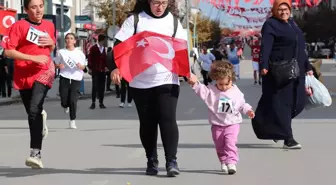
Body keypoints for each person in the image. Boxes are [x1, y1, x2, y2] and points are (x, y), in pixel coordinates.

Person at [110, 0, 187, 177]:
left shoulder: (174, 22)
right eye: (155, 3)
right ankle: (151, 160)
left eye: (163, 2)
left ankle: (171, 161)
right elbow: (118, 47)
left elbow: (182, 49)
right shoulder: (135, 21)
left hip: (167, 78)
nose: (159, 7)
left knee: (168, 119)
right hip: (140, 81)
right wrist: (115, 67)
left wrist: (188, 72)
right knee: (147, 123)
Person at [2, 0, 56, 168]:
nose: (38, 10)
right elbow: (8, 51)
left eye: (41, 6)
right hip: (24, 74)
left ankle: (35, 153)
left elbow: (50, 48)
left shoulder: (49, 25)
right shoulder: (19, 26)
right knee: (33, 114)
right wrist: (33, 58)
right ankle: (40, 118)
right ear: (26, 9)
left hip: (44, 71)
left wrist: (51, 44)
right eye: (33, 7)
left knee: (34, 110)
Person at [253, 0, 313, 149]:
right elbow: (265, 46)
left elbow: (301, 48)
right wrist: (264, 65)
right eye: (280, 9)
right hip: (280, 70)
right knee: (283, 104)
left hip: (297, 70)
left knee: (298, 103)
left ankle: (275, 127)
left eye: (286, 9)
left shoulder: (293, 24)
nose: (283, 12)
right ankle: (288, 138)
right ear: (274, 10)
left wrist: (308, 66)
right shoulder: (271, 24)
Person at [188, 61, 255, 175]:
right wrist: (194, 83)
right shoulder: (212, 91)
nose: (223, 87)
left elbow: (242, 104)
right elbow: (202, 91)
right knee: (219, 145)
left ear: (231, 80)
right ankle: (223, 161)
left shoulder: (235, 92)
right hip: (217, 125)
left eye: (226, 84)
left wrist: (248, 110)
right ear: (216, 81)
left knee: (230, 142)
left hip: (232, 123)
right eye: (220, 84)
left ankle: (231, 162)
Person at [55, 33, 86, 129]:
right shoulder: (61, 52)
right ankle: (65, 105)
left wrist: (81, 66)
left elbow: (84, 66)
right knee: (64, 101)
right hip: (64, 77)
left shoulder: (79, 53)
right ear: (65, 40)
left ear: (74, 41)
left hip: (76, 78)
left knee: (73, 100)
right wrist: (58, 66)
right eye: (67, 38)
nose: (69, 40)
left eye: (71, 38)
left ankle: (72, 120)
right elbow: (55, 63)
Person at [88, 34, 108, 109]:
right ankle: (93, 103)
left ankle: (101, 103)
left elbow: (105, 59)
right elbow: (90, 58)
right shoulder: (94, 48)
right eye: (104, 40)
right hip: (95, 70)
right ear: (101, 40)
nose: (105, 42)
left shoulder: (104, 49)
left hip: (102, 71)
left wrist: (106, 66)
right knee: (95, 87)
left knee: (102, 87)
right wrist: (90, 68)